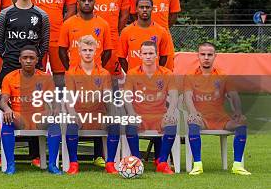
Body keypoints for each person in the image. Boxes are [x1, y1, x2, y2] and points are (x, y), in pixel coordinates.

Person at [0, 0, 50, 167]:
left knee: (35, 107)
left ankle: (36, 155)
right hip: (10, 66)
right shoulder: (6, 14)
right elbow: (0, 42)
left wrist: (33, 61)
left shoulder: (41, 15)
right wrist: (11, 58)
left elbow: (44, 44)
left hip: (33, 69)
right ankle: (5, 155)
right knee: (6, 109)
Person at [183, 42, 250, 175]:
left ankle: (237, 165)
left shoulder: (223, 75)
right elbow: (187, 97)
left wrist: (237, 111)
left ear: (215, 56)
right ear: (198, 56)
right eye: (203, 54)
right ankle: (197, 165)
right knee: (193, 121)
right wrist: (193, 112)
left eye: (209, 54)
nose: (206, 57)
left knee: (242, 121)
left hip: (221, 119)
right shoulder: (190, 75)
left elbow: (234, 95)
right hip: (201, 118)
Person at [0, 46, 60, 175]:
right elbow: (3, 101)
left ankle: (52, 165)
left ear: (37, 60)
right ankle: (10, 165)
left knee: (54, 122)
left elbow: (54, 99)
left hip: (39, 118)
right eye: (25, 58)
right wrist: (7, 109)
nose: (28, 61)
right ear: (20, 60)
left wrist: (55, 108)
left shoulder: (45, 77)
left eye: (31, 58)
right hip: (19, 117)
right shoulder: (10, 77)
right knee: (7, 120)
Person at [64, 36, 119, 174]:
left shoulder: (104, 73)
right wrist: (71, 112)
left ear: (96, 51)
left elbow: (107, 97)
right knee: (70, 122)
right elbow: (69, 97)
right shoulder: (71, 73)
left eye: (90, 50)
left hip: (98, 115)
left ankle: (110, 163)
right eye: (84, 50)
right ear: (79, 52)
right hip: (79, 114)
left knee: (114, 123)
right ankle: (73, 163)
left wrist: (112, 111)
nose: (87, 53)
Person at [123, 41, 179, 174]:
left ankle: (163, 162)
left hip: (159, 115)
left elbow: (174, 95)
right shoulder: (132, 73)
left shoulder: (166, 73)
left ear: (156, 55)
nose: (148, 56)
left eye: (151, 53)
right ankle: (136, 161)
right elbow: (127, 97)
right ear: (140, 55)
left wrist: (170, 113)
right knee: (130, 122)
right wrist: (131, 113)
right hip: (139, 115)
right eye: (145, 53)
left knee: (171, 122)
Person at [81, 0, 130, 77]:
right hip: (90, 40)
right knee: (90, 76)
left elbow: (125, 15)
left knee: (113, 78)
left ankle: (113, 97)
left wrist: (114, 31)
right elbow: (80, 14)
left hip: (113, 40)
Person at [129, 0, 179, 70]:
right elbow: (133, 14)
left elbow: (174, 14)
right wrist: (143, 27)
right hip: (142, 35)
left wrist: (161, 29)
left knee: (166, 70)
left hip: (163, 35)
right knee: (141, 70)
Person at [58, 0, 112, 71]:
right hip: (74, 74)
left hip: (96, 74)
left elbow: (108, 51)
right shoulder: (68, 24)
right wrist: (70, 70)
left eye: (90, 0)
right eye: (83, 0)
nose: (87, 3)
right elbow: (62, 50)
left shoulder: (103, 24)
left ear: (94, 2)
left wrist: (98, 68)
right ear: (78, 2)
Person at [118, 0, 171, 72]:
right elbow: (121, 57)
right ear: (136, 9)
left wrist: (156, 72)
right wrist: (131, 73)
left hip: (153, 78)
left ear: (152, 9)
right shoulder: (126, 31)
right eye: (141, 7)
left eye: (147, 7)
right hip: (134, 79)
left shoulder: (161, 31)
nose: (145, 9)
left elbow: (164, 56)